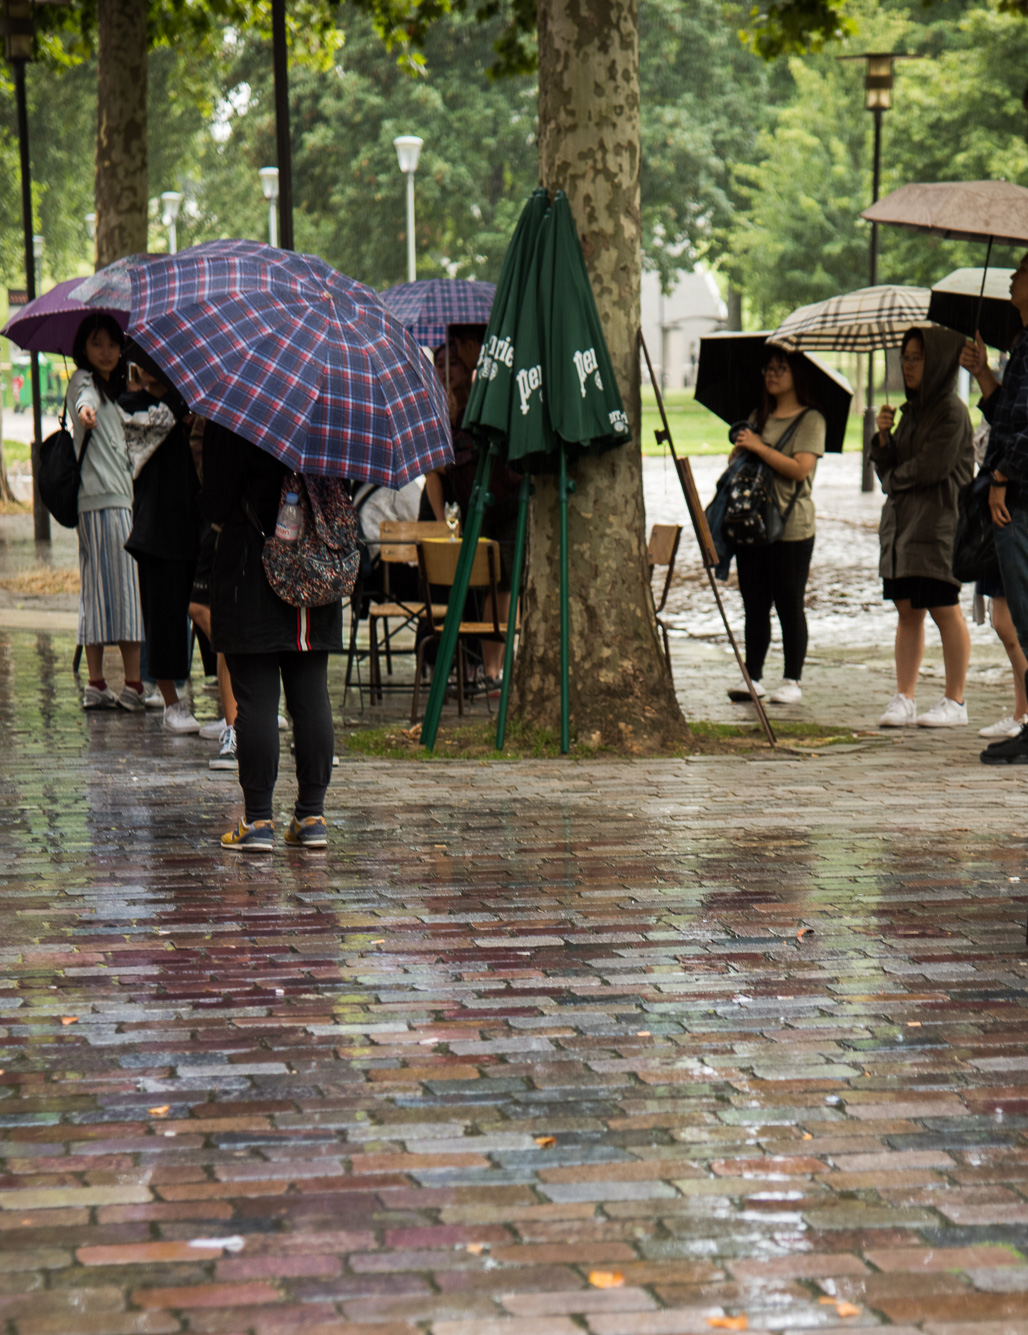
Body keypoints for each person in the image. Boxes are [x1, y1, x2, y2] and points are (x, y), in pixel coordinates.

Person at [204, 420, 340, 851]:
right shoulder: (333, 403)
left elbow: (216, 501)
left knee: (257, 699)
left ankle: (259, 821)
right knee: (311, 692)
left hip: (252, 565)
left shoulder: (234, 409)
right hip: (316, 569)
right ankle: (311, 816)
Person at [873, 326, 973, 729]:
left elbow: (932, 466)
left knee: (943, 606)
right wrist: (883, 436)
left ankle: (956, 700)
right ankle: (905, 696)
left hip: (937, 526)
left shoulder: (951, 411)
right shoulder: (909, 413)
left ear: (938, 363)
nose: (909, 365)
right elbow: (891, 465)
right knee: (907, 609)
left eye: (917, 358)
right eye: (906, 357)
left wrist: (893, 478)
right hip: (903, 529)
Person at [726, 347, 827, 705]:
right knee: (754, 603)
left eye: (781, 369)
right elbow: (745, 462)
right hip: (753, 523)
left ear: (797, 375)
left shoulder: (811, 419)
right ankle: (753, 675)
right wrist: (741, 452)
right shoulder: (759, 415)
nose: (772, 374)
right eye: (768, 368)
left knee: (788, 602)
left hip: (791, 526)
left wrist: (759, 445)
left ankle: (792, 679)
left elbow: (800, 468)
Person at [961, 250, 1028, 763]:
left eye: (1022, 272)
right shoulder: (1020, 344)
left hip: (1021, 499)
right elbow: (1005, 414)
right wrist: (985, 373)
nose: (1012, 277)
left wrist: (1004, 475)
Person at [121, 358, 202, 734]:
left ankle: (238, 705)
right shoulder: (130, 407)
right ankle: (173, 704)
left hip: (199, 525)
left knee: (212, 617)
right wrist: (180, 402)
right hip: (157, 529)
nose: (155, 367)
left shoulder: (195, 405)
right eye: (147, 360)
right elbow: (150, 432)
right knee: (165, 621)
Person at [70, 313, 145, 711]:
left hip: (109, 501)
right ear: (83, 347)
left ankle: (99, 683)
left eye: (113, 344)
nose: (106, 351)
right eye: (98, 343)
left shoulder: (113, 392)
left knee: (100, 591)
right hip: (106, 503)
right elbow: (84, 402)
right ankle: (130, 684)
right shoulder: (84, 384)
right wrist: (85, 413)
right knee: (122, 592)